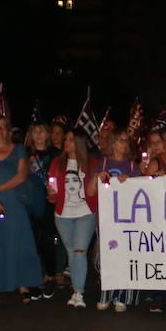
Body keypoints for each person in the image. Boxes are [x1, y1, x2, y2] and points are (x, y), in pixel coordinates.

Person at [0, 115, 41, 308]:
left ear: (9, 130)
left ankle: (22, 285)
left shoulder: (18, 149)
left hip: (13, 203)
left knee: (18, 242)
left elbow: (21, 176)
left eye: (4, 126)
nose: (0, 129)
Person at [47, 129, 98, 308]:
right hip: (63, 215)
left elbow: (95, 190)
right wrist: (51, 193)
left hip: (85, 213)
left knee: (79, 251)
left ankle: (78, 291)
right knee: (71, 252)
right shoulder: (57, 163)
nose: (66, 142)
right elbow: (53, 193)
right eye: (66, 139)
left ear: (79, 142)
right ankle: (77, 290)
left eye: (70, 139)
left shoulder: (91, 163)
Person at [95, 131, 142, 312]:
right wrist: (97, 177)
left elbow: (141, 192)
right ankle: (106, 294)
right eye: (120, 140)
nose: (123, 143)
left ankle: (122, 295)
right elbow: (92, 191)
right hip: (106, 219)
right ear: (113, 143)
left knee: (124, 258)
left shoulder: (132, 166)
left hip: (125, 219)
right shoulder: (103, 163)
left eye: (126, 141)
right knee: (104, 259)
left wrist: (130, 182)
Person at [24, 123, 62, 296]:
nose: (38, 135)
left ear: (47, 134)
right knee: (31, 242)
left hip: (49, 202)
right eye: (35, 132)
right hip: (29, 202)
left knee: (47, 240)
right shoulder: (25, 154)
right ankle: (34, 278)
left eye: (41, 131)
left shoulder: (56, 154)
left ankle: (50, 276)